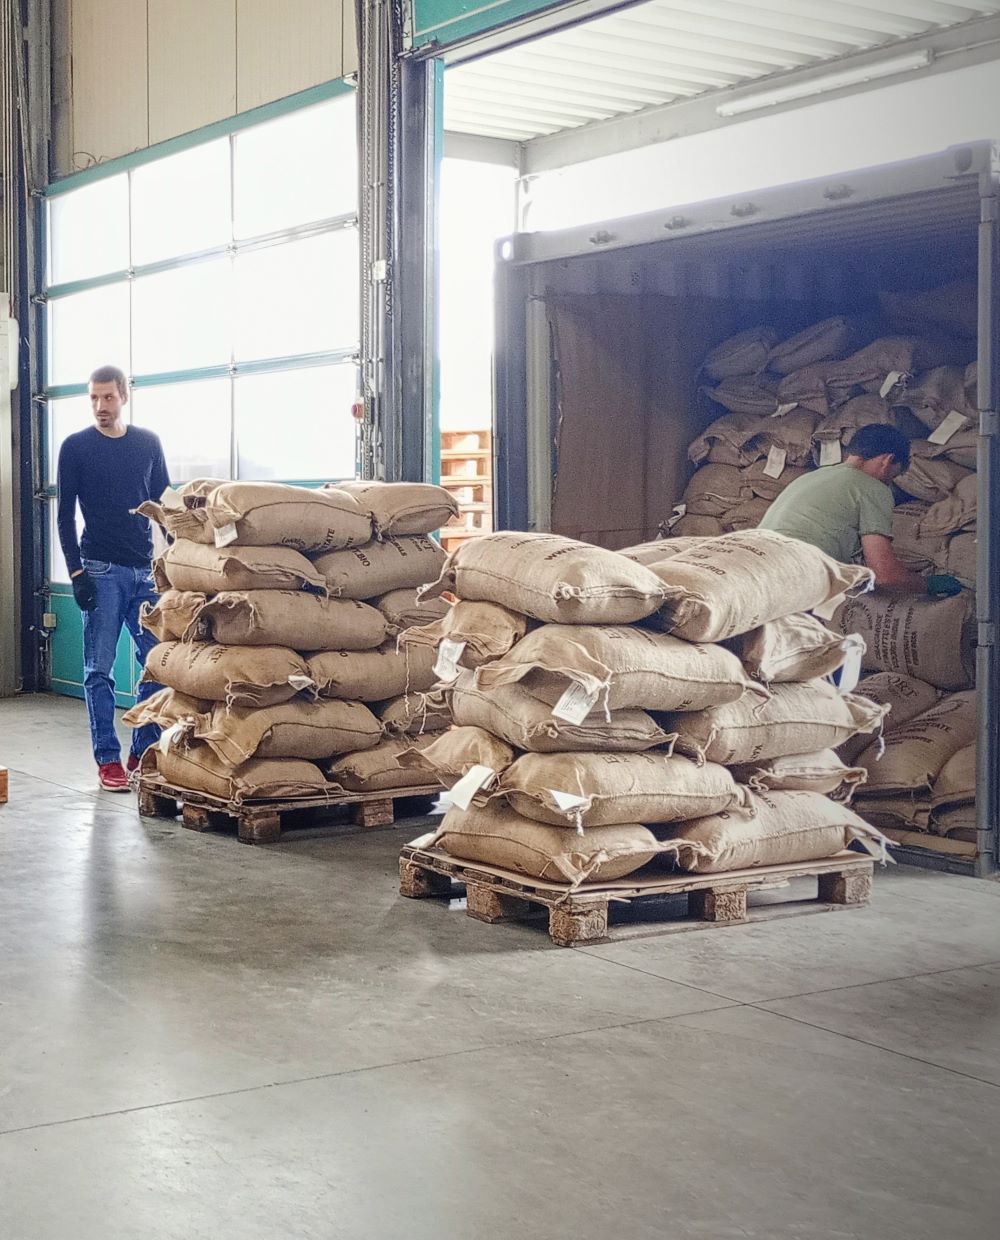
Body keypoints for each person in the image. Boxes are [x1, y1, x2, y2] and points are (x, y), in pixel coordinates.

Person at [57, 365, 171, 791]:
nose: (100, 406)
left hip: (145, 574)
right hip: (100, 571)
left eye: (107, 397)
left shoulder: (147, 444)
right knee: (98, 670)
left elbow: (165, 507)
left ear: (124, 395)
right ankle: (108, 760)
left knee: (158, 667)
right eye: (93, 398)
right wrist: (76, 572)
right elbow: (64, 515)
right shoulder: (75, 447)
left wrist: (177, 563)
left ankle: (142, 749)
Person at [759, 424, 963, 597]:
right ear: (887, 461)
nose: (889, 483)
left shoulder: (812, 477)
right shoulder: (872, 487)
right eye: (893, 476)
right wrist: (928, 585)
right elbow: (886, 576)